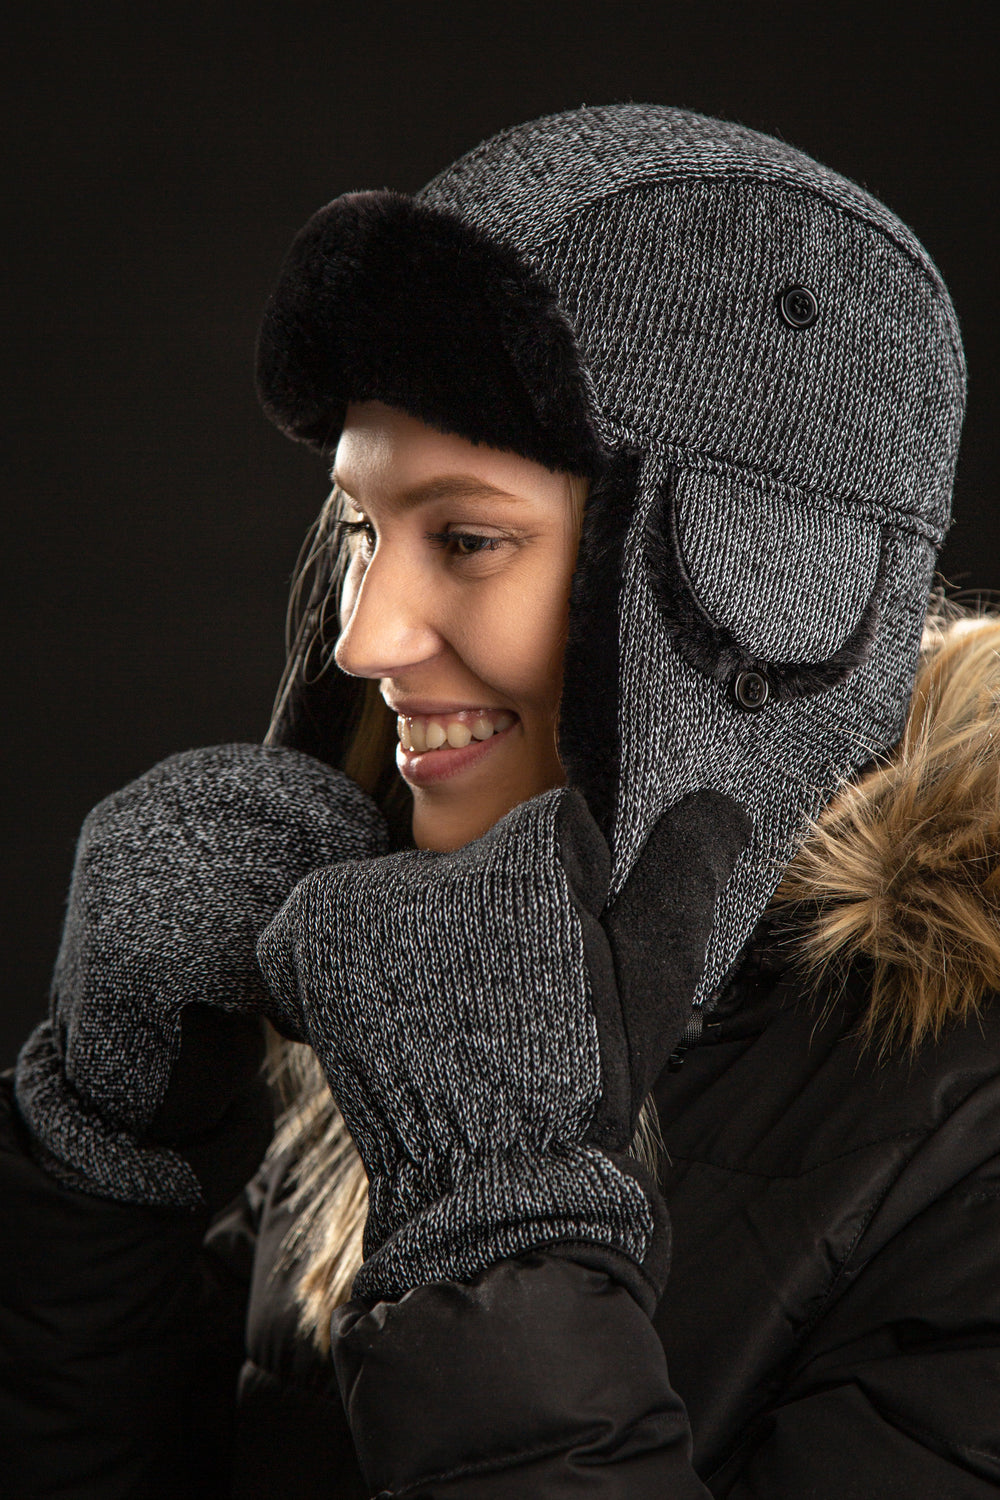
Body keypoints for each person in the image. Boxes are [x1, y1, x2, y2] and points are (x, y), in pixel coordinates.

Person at [3, 103, 999, 1498]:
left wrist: (502, 1228)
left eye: (468, 537)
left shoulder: (971, 1146)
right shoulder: (417, 977)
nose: (365, 637)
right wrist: (104, 1170)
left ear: (772, 588)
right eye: (363, 531)